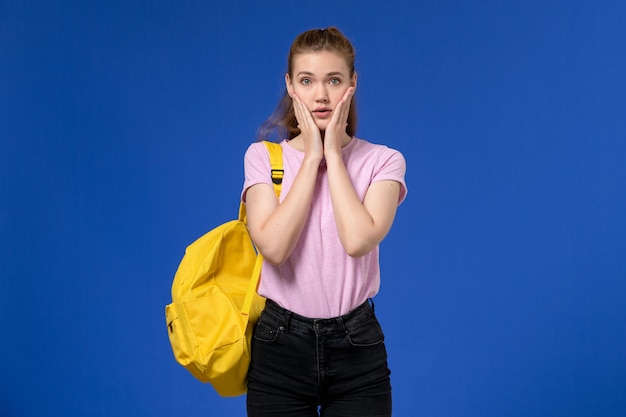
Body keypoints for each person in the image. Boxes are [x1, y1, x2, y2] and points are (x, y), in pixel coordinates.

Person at [241, 27, 407, 417]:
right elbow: (275, 248)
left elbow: (357, 240)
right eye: (306, 81)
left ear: (353, 83)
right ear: (290, 85)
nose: (320, 95)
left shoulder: (383, 161)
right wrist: (311, 156)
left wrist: (332, 153)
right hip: (278, 344)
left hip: (356, 347)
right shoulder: (262, 158)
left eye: (333, 80)